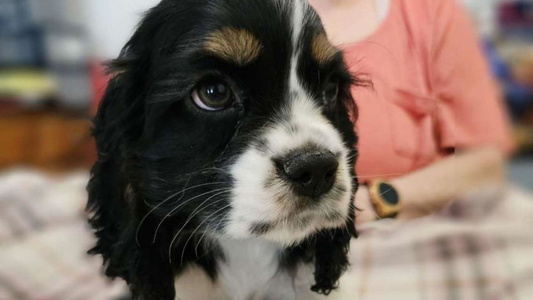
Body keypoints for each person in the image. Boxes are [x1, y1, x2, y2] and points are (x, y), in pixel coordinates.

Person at [308, 0, 514, 226]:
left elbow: (486, 163)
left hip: (404, 229)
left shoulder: (432, 13)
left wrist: (376, 201)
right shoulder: (266, 12)